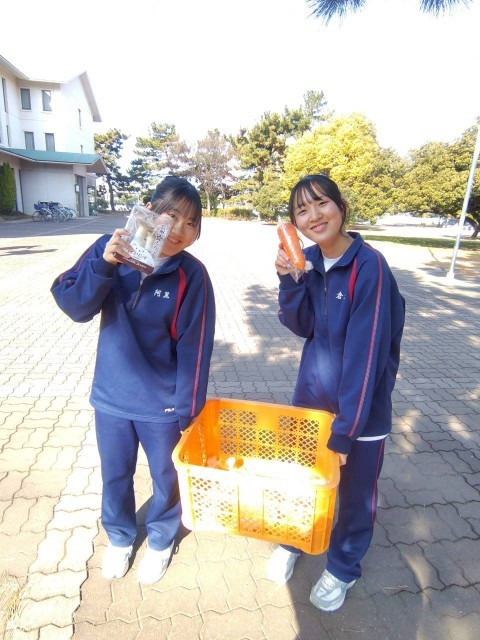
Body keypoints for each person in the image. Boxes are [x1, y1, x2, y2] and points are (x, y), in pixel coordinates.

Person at [51, 176, 215, 584]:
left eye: (191, 222)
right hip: (112, 398)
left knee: (166, 477)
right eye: (171, 215)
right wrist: (104, 265)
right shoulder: (112, 248)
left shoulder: (192, 276)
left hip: (162, 406)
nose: (179, 230)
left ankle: (160, 539)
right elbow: (74, 305)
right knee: (115, 475)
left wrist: (187, 412)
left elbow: (196, 349)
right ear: (148, 210)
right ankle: (120, 537)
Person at [268, 174, 405, 612]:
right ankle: (294, 540)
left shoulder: (370, 267)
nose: (313, 216)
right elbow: (302, 326)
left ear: (341, 207)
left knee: (355, 496)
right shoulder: (307, 260)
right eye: (301, 210)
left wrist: (345, 431)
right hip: (313, 402)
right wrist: (290, 280)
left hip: (361, 413)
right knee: (303, 482)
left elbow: (368, 356)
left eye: (321, 203)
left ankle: (343, 566)